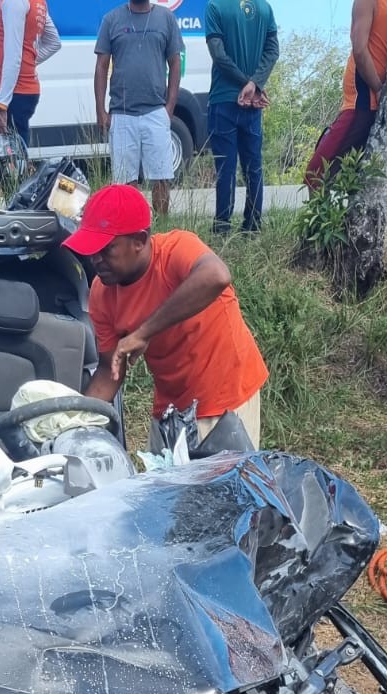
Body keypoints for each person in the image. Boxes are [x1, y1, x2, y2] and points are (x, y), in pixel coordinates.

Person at [65, 183, 267, 450]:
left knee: (223, 479)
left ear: (140, 240)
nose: (96, 259)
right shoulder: (102, 293)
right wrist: (74, 423)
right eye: (92, 249)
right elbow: (108, 372)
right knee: (162, 477)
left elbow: (217, 276)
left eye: (107, 249)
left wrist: (143, 333)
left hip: (224, 399)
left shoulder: (176, 250)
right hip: (171, 406)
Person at [93, 0, 183, 219]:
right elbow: (101, 66)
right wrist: (100, 110)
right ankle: (132, 228)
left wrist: (169, 108)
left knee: (161, 177)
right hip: (122, 113)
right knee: (125, 182)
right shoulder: (111, 20)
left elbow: (175, 63)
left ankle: (161, 225)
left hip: (156, 112)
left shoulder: (166, 18)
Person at [203, 0, 278, 236]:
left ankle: (223, 226)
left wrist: (245, 83)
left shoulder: (215, 6)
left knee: (225, 167)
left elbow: (218, 53)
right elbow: (272, 51)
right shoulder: (264, 7)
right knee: (253, 166)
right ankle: (253, 225)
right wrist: (255, 83)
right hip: (252, 103)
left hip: (224, 98)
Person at [0, 0, 60, 150]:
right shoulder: (38, 3)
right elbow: (54, 42)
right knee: (16, 152)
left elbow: (13, 55)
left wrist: (1, 106)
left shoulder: (14, 2)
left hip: (12, 92)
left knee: (8, 157)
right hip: (20, 90)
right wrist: (27, 63)